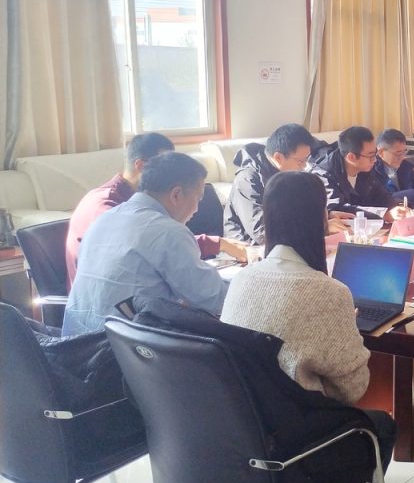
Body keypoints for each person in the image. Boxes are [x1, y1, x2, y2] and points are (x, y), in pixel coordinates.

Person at [221, 170, 396, 483]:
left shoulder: (242, 280)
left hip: (242, 434)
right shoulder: (327, 292)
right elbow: (353, 390)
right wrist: (345, 331)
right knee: (378, 426)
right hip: (295, 442)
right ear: (319, 219)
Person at [63, 152, 228, 337]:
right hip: (121, 349)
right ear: (176, 194)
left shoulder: (104, 219)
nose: (196, 209)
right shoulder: (169, 232)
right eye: (198, 199)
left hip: (74, 344)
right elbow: (216, 299)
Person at [65, 133, 244, 288]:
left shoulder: (148, 200)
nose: (175, 174)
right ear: (141, 166)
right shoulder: (105, 205)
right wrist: (215, 244)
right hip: (110, 309)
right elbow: (154, 245)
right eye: (165, 166)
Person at [224, 122, 319, 244]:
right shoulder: (247, 179)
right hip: (248, 246)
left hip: (282, 241)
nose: (305, 166)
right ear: (278, 157)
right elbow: (262, 232)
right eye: (300, 161)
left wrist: (324, 219)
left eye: (307, 159)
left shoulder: (288, 173)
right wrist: (313, 229)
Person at [309, 126, 408, 221]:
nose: (375, 160)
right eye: (371, 156)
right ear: (351, 157)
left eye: (375, 154)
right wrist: (383, 214)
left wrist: (398, 206)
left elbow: (381, 196)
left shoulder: (364, 168)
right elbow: (338, 209)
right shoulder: (324, 175)